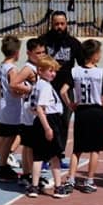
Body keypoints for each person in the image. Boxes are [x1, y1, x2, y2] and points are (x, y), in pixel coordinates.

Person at [67, 39, 103, 194]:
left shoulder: (74, 72)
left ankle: (71, 179)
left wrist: (70, 104)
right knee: (95, 149)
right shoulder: (100, 73)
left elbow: (62, 90)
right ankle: (89, 180)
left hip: (81, 112)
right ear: (94, 55)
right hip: (96, 112)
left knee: (77, 149)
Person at [39, 11, 83, 169]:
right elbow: (36, 61)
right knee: (46, 122)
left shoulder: (73, 43)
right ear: (52, 24)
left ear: (66, 24)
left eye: (62, 24)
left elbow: (83, 66)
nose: (59, 27)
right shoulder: (43, 41)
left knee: (64, 122)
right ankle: (44, 156)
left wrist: (72, 84)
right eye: (56, 24)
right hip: (46, 88)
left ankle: (59, 154)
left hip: (66, 89)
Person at [22, 56, 68, 198]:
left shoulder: (37, 85)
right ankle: (58, 187)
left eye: (54, 71)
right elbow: (40, 108)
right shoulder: (46, 87)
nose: (53, 73)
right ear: (40, 71)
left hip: (38, 121)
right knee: (55, 156)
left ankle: (34, 187)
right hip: (49, 120)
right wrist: (48, 128)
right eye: (50, 70)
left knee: (38, 157)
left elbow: (32, 106)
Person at [8, 38, 46, 185]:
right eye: (38, 53)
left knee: (29, 144)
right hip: (29, 111)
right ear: (29, 53)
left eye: (43, 52)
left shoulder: (39, 66)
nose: (41, 55)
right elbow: (13, 83)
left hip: (35, 109)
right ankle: (28, 175)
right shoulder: (28, 68)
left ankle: (28, 174)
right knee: (30, 145)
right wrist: (31, 89)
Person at [0, 35, 25, 182]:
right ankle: (2, 167)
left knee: (4, 137)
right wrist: (27, 89)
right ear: (17, 52)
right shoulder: (12, 69)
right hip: (11, 108)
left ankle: (3, 164)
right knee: (10, 137)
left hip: (2, 104)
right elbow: (14, 88)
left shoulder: (1, 66)